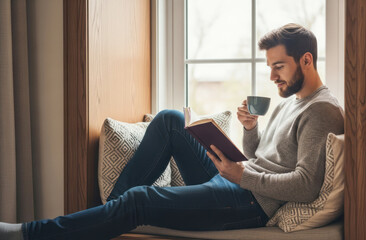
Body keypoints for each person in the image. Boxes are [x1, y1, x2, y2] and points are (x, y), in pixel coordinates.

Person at [0, 23, 344, 240]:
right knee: (169, 120)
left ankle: (30, 234)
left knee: (139, 199)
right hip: (237, 184)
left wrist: (242, 177)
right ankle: (113, 216)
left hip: (249, 203)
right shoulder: (292, 99)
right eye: (270, 67)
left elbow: (306, 184)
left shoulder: (322, 110)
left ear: (306, 61)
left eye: (278, 66)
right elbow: (261, 159)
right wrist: (250, 130)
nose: (272, 77)